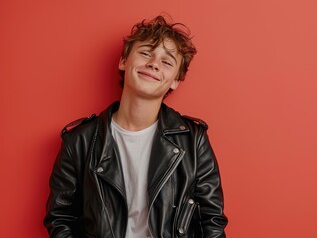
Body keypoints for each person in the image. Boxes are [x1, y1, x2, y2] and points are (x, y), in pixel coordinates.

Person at [44, 15, 228, 238]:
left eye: (167, 61)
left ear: (176, 80)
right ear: (123, 62)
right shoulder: (80, 140)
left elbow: (212, 220)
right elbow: (60, 217)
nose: (154, 63)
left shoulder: (193, 139)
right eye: (145, 52)